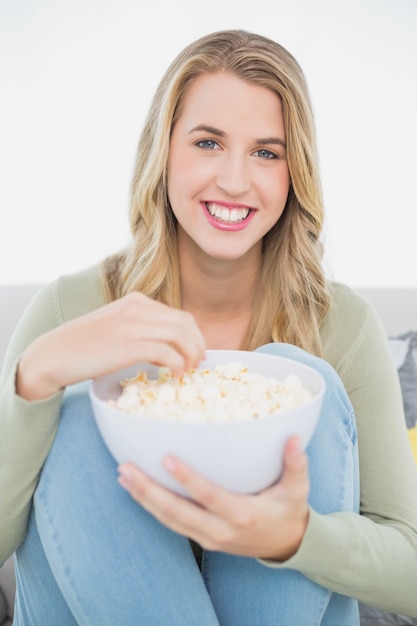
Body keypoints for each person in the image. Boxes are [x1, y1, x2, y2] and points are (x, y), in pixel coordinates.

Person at [1, 29, 416, 626]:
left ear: (294, 173)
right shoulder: (73, 307)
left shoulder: (341, 324)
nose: (234, 180)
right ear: (163, 152)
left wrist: (296, 537)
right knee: (78, 411)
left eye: (267, 153)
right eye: (208, 142)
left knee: (309, 383)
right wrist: (34, 377)